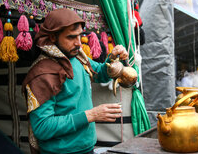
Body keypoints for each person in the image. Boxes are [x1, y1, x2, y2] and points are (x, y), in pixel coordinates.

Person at [22, 8, 129, 154]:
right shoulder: (42, 75)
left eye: (80, 36)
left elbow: (100, 73)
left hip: (87, 148)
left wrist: (113, 58)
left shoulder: (78, 58)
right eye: (71, 37)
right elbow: (42, 127)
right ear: (53, 37)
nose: (79, 43)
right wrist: (90, 115)